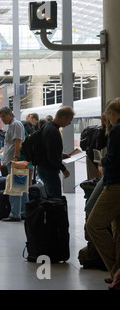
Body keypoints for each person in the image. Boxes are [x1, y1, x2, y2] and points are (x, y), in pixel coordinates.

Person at [86, 97, 120, 285]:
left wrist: (103, 161)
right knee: (118, 231)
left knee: (94, 225)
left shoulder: (117, 129)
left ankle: (116, 271)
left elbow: (113, 159)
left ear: (113, 113)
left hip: (115, 184)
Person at [36, 106, 75, 198]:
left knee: (50, 196)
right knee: (54, 199)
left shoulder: (47, 125)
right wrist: (63, 169)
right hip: (49, 169)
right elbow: (51, 155)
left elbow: (47, 149)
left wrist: (60, 155)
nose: (69, 123)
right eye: (69, 120)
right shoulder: (52, 131)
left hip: (43, 168)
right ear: (64, 118)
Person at [0, 106, 29, 222]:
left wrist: (15, 158)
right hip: (12, 159)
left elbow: (17, 142)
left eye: (4, 117)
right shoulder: (12, 125)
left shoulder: (16, 125)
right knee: (20, 186)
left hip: (15, 160)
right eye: (1, 117)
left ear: (10, 114)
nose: (3, 119)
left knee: (15, 187)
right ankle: (24, 211)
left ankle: (15, 214)